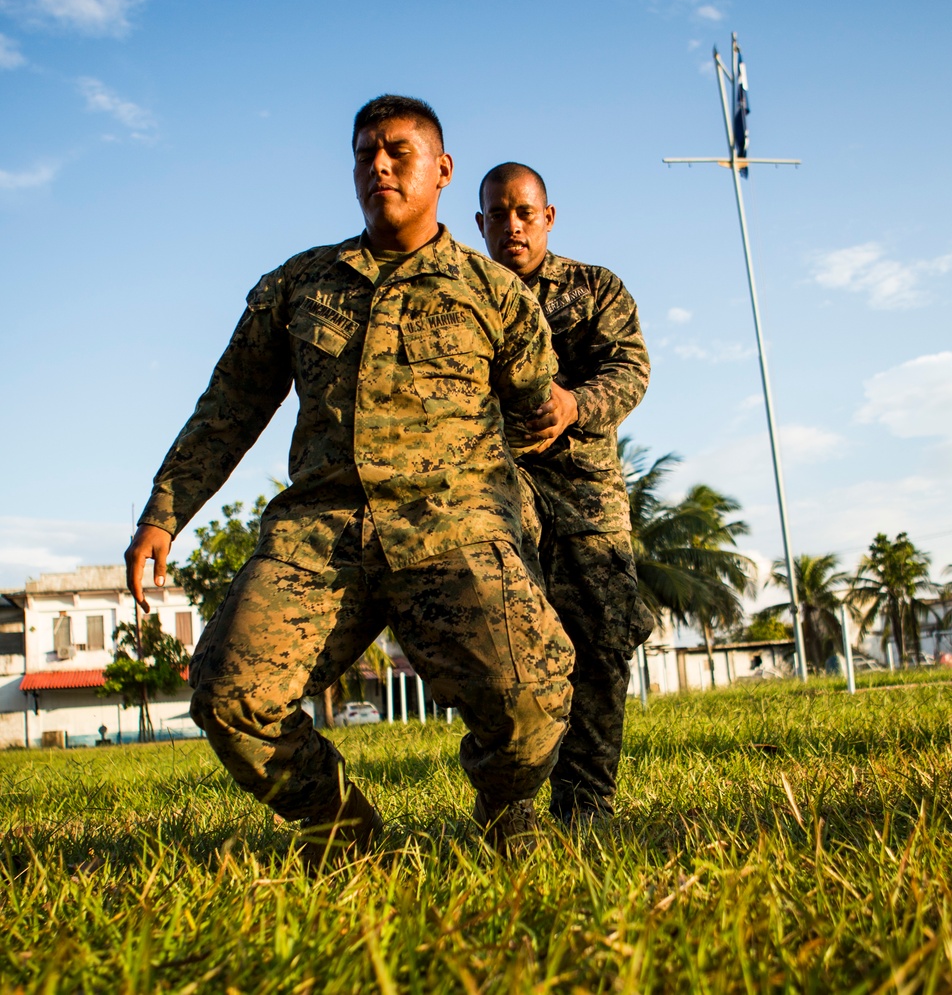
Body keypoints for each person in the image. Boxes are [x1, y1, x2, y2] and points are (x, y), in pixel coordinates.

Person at [125, 98, 574, 864]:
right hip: (321, 539)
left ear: (443, 169)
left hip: (453, 534)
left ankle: (505, 806)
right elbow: (228, 406)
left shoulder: (495, 293)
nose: (379, 165)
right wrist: (164, 513)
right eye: (365, 152)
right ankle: (344, 830)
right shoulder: (299, 285)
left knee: (537, 700)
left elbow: (543, 412)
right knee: (230, 696)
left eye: (399, 150)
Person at [476, 162, 654, 824]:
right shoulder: (462, 298)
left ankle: (586, 804)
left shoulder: (596, 288)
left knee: (602, 645)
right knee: (506, 646)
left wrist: (575, 404)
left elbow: (630, 367)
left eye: (525, 212)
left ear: (548, 216)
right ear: (481, 224)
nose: (513, 225)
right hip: (498, 487)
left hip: (586, 496)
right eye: (499, 214)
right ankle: (510, 803)